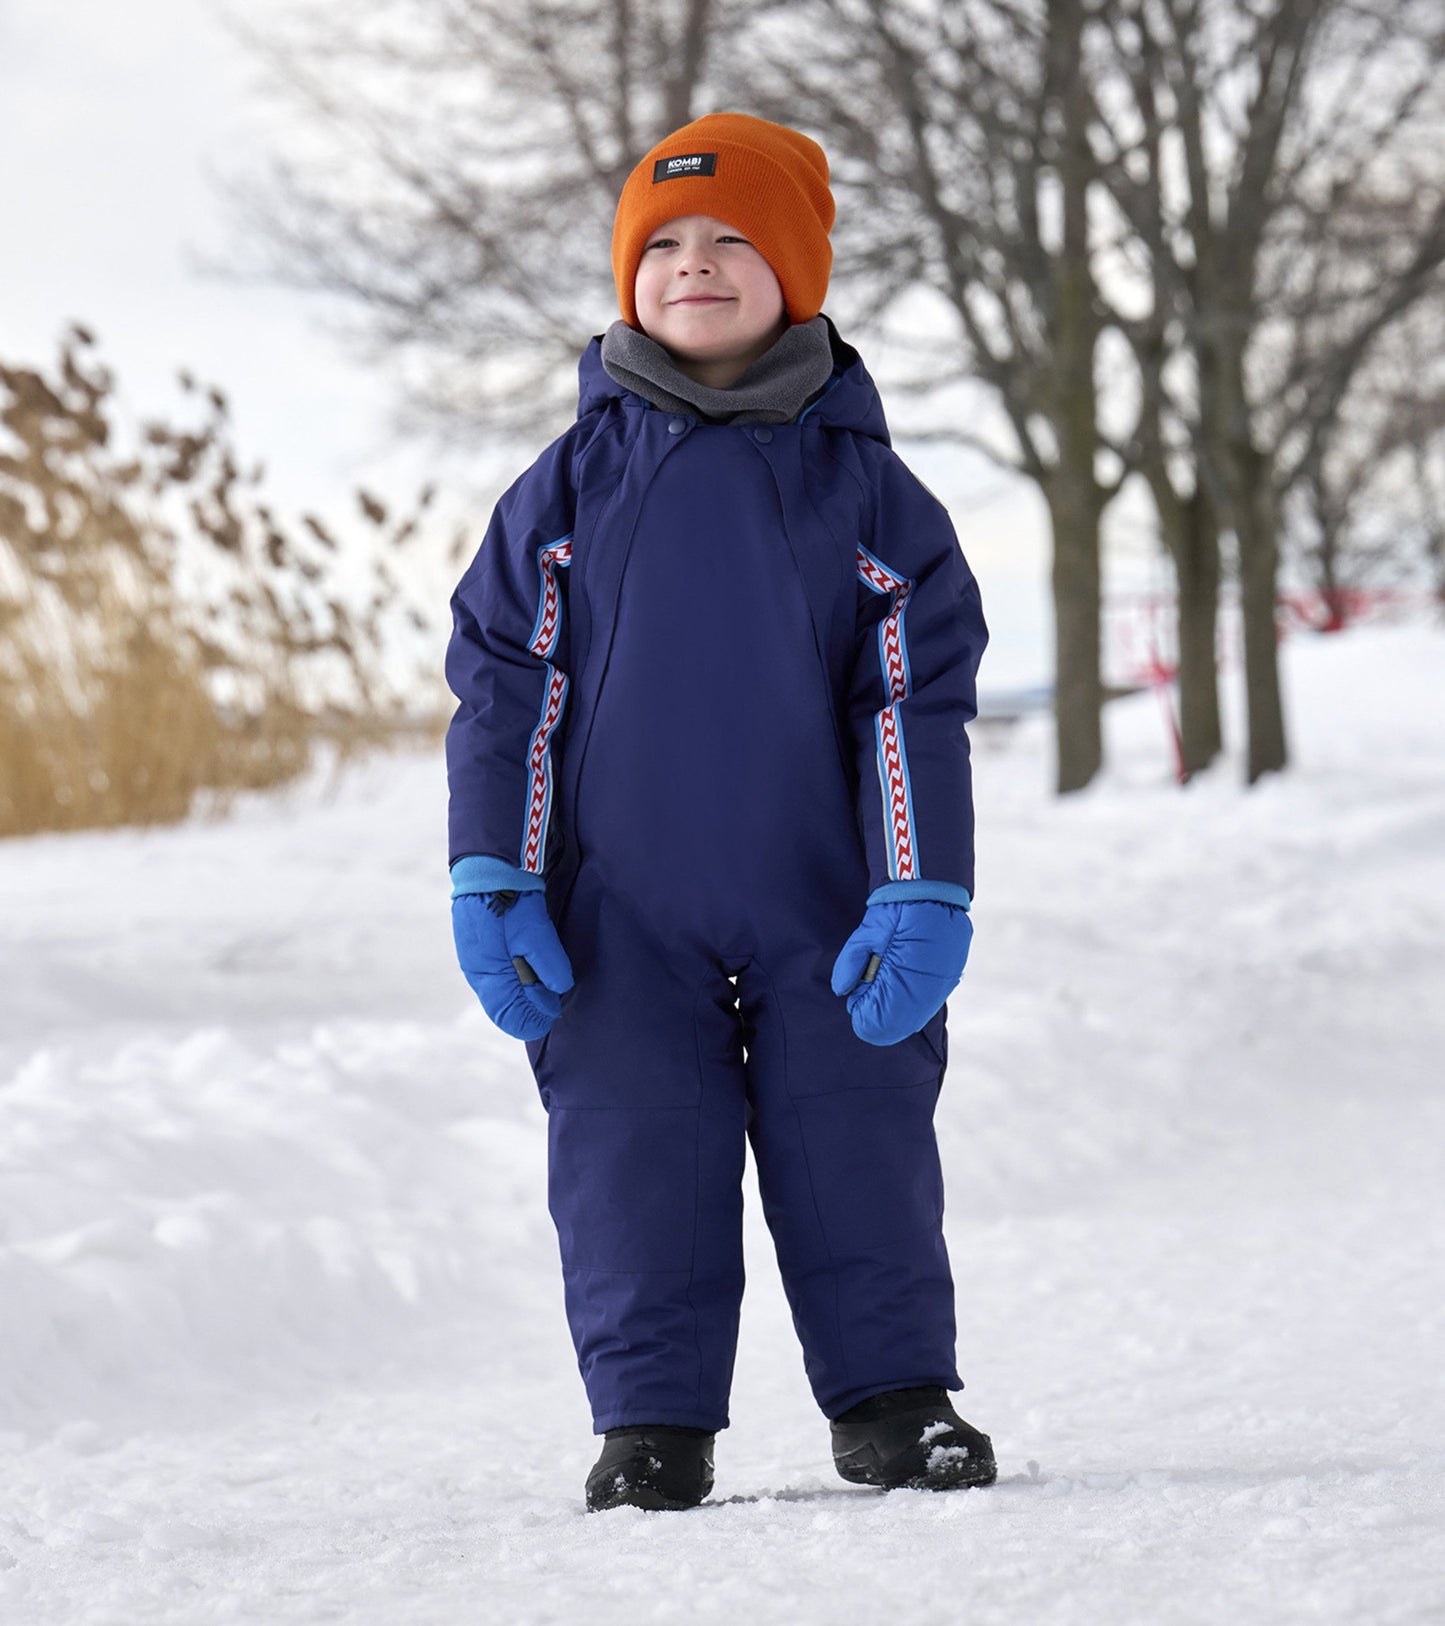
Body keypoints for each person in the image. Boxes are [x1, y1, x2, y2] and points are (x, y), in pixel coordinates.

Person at [445, 113, 994, 1511]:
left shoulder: (866, 492)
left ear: (798, 270)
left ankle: (893, 1399)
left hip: (827, 895)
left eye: (732, 240)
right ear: (627, 275)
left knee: (856, 1123)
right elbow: (508, 691)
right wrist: (491, 874)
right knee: (630, 1140)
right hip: (615, 906)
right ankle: (650, 1421)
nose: (693, 264)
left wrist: (918, 883)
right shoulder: (565, 491)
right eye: (663, 243)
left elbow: (908, 694)